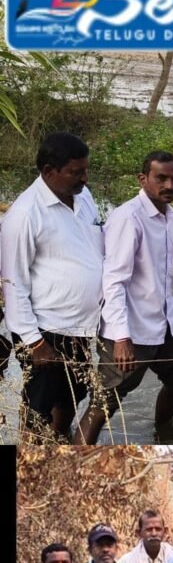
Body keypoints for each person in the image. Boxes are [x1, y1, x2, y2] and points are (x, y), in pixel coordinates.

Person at [75, 152, 173, 444]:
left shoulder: (168, 214)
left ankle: (163, 435)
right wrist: (121, 338)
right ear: (143, 179)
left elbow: (160, 277)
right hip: (130, 330)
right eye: (161, 178)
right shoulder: (129, 218)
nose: (169, 185)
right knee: (104, 403)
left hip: (161, 326)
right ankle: (76, 457)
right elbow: (114, 281)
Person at [1, 132, 104, 437]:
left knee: (72, 395)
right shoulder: (24, 215)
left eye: (86, 170)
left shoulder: (83, 197)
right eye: (76, 172)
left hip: (81, 326)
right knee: (38, 406)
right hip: (45, 329)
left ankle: (59, 443)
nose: (84, 178)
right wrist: (35, 343)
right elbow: (13, 284)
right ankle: (31, 455)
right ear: (48, 171)